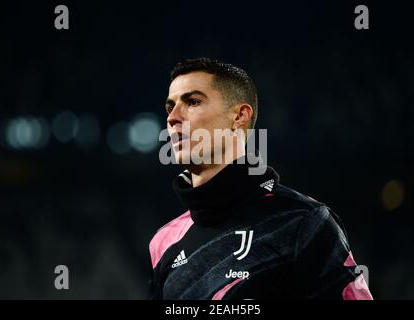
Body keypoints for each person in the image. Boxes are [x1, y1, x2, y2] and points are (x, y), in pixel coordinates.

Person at [148, 57, 373, 300]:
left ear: (239, 116)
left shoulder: (300, 221)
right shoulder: (164, 242)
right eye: (170, 107)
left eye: (192, 102)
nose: (173, 118)